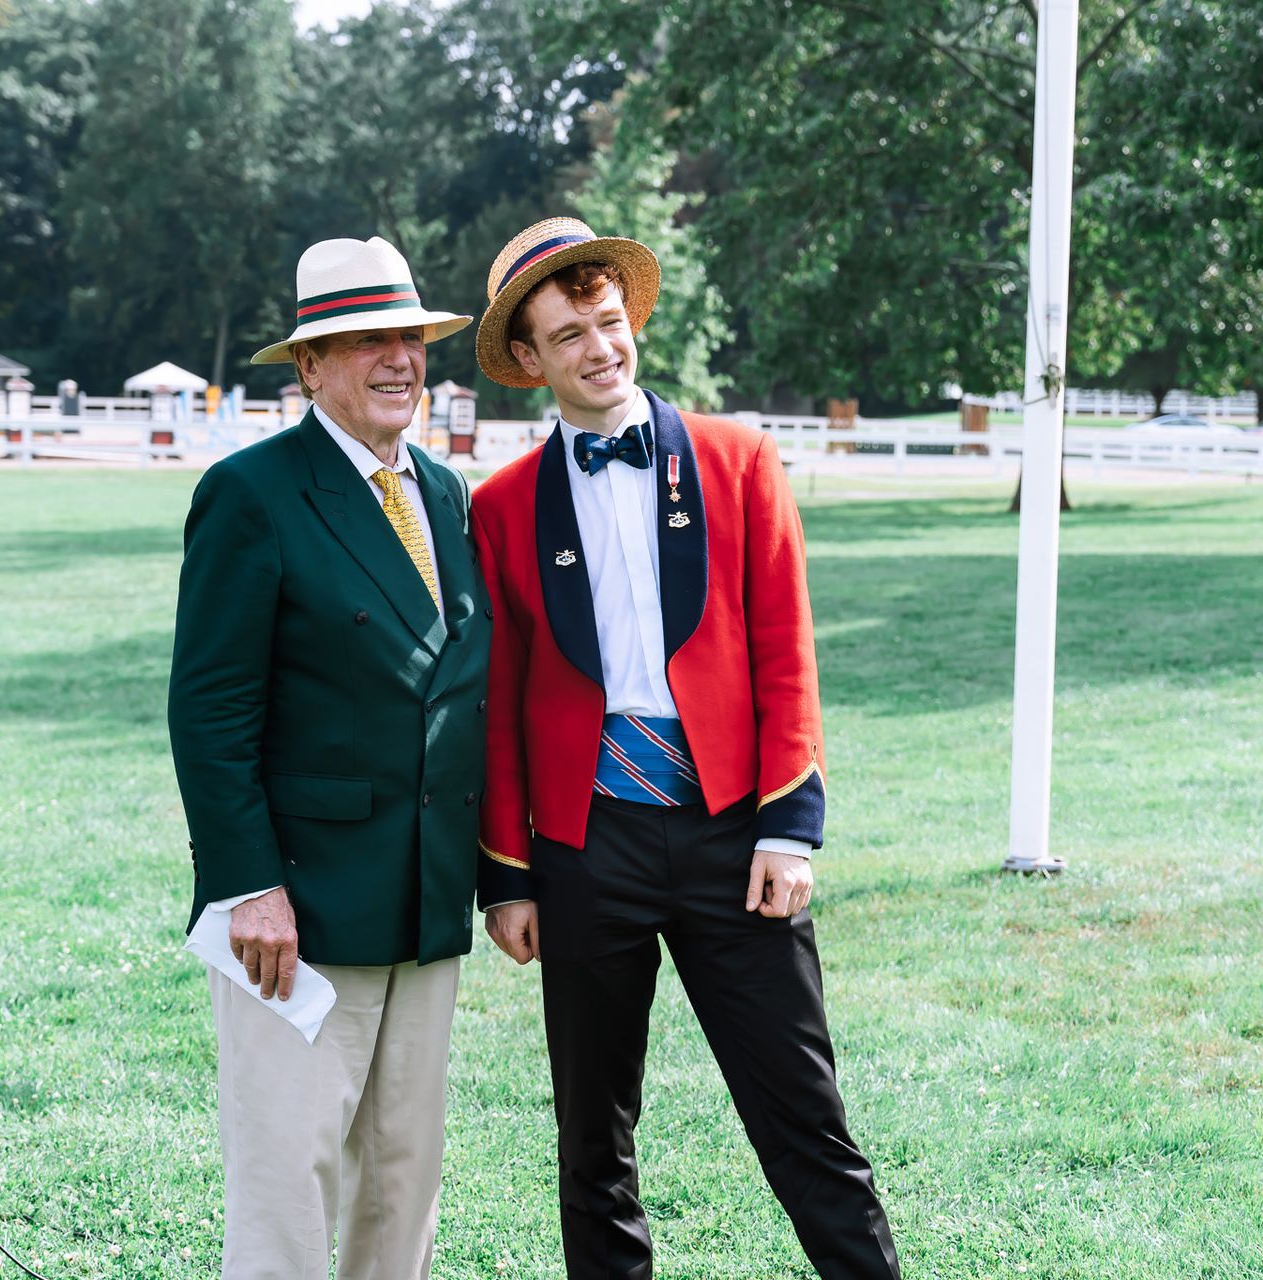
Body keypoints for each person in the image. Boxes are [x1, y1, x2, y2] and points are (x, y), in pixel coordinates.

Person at [469, 217, 900, 1279]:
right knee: (593, 1139)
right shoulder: (500, 505)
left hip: (733, 835)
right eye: (568, 334)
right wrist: (507, 878)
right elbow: (501, 701)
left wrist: (789, 826)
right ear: (529, 359)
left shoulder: (739, 458)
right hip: (585, 846)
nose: (598, 348)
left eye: (608, 322)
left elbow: (786, 649)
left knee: (804, 1116)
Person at [167, 235, 491, 1280]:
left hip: (424, 901)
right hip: (294, 915)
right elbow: (209, 710)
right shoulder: (252, 492)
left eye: (409, 336)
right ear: (308, 366)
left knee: (403, 1184)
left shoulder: (444, 494)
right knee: (287, 1187)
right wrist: (248, 882)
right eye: (363, 341)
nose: (398, 358)